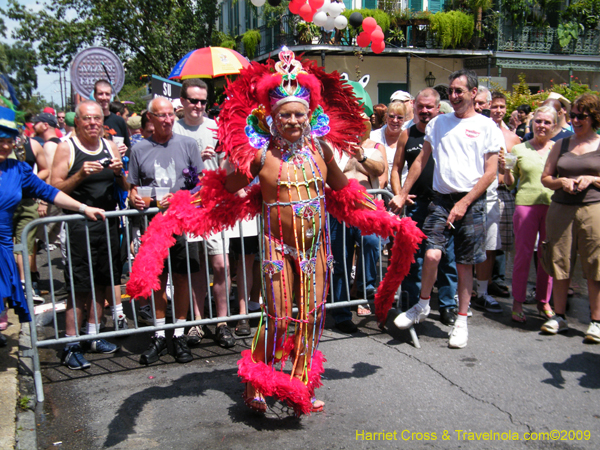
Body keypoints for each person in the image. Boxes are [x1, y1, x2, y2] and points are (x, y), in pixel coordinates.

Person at [126, 48, 423, 415]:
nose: (293, 120)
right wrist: (181, 205)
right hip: (276, 249)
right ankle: (257, 382)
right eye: (286, 114)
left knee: (312, 317)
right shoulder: (261, 156)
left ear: (310, 114)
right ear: (272, 117)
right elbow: (221, 188)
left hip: (316, 249)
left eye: (300, 113)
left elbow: (345, 192)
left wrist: (384, 217)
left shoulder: (322, 150)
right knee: (279, 318)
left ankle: (301, 384)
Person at [390, 69, 503, 349]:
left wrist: (465, 203)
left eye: (459, 91)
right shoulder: (438, 123)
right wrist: (402, 193)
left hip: (472, 202)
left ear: (473, 93)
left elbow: (491, 172)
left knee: (464, 265)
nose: (453, 96)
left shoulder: (487, 126)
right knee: (431, 254)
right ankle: (423, 306)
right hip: (440, 200)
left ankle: (461, 322)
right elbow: (418, 162)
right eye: (451, 91)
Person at [0, 106, 105, 351]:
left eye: (8, 141)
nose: (5, 146)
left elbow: (50, 192)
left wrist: (82, 208)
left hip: (3, 242)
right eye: (0, 141)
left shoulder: (17, 171)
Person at [51, 100, 127, 369]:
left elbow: (124, 185)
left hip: (107, 223)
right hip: (79, 225)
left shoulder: (110, 145)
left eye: (97, 119)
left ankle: (93, 334)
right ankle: (71, 344)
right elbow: (55, 188)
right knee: (79, 285)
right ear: (77, 123)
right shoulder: (66, 147)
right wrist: (81, 174)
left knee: (102, 279)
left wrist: (119, 173)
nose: (93, 123)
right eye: (87, 119)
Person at [128, 96, 204, 364]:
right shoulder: (138, 149)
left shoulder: (187, 144)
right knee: (157, 282)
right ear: (150, 118)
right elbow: (134, 188)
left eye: (171, 114)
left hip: (183, 225)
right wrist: (135, 198)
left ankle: (180, 334)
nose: (168, 119)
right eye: (162, 115)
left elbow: (201, 186)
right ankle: (160, 335)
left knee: (182, 278)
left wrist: (182, 198)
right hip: (153, 228)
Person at [172, 78, 235, 348]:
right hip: (189, 205)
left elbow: (233, 166)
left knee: (221, 265)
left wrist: (220, 156)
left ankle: (222, 323)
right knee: (196, 265)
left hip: (216, 205)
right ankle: (198, 323)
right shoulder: (173, 129)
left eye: (202, 101)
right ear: (183, 101)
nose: (198, 105)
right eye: (193, 100)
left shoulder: (216, 127)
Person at [390, 88, 458, 326]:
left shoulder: (448, 132)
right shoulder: (407, 134)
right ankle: (412, 304)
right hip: (417, 205)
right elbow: (396, 169)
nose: (425, 110)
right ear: (414, 107)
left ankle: (448, 306)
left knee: (446, 257)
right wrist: (400, 194)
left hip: (443, 204)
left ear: (438, 108)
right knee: (414, 258)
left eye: (429, 106)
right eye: (421, 106)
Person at [540, 93, 600, 342]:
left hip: (593, 208)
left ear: (593, 117)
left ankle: (595, 321)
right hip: (561, 208)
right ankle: (559, 316)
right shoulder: (561, 144)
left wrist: (593, 179)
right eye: (572, 115)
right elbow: (546, 178)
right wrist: (560, 181)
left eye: (581, 116)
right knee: (560, 261)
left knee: (594, 263)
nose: (575, 120)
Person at [502, 106, 556, 322]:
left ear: (554, 126)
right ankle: (518, 302)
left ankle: (544, 302)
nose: (541, 126)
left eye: (546, 122)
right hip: (525, 205)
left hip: (552, 206)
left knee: (547, 256)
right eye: (538, 121)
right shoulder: (519, 149)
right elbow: (509, 184)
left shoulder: (558, 149)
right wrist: (506, 170)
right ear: (532, 123)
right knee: (523, 255)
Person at [330, 118, 386, 330]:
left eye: (360, 127)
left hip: (366, 211)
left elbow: (379, 169)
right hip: (339, 212)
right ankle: (342, 312)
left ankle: (364, 290)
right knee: (340, 260)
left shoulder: (373, 149)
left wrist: (361, 157)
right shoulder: (334, 149)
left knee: (371, 243)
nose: (355, 130)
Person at [471, 86, 504, 314]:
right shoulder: (459, 124)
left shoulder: (493, 129)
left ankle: (482, 293)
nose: (479, 106)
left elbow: (498, 166)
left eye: (483, 102)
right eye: (477, 101)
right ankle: (458, 294)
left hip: (489, 195)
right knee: (460, 247)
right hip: (464, 194)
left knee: (488, 248)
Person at [489, 91, 521, 298]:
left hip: (503, 191)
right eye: (495, 106)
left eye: (502, 107)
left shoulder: (513, 138)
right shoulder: (480, 130)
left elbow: (512, 178)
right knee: (483, 241)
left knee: (501, 241)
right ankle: (480, 282)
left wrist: (505, 169)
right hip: (483, 191)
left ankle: (497, 280)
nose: (498, 111)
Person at [370, 101, 406, 189]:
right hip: (379, 190)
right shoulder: (373, 136)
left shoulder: (408, 137)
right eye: (391, 116)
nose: (395, 120)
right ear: (386, 117)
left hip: (403, 190)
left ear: (405, 119)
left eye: (400, 117)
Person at [93, 80, 130, 156]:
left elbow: (128, 146)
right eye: (100, 94)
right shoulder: (90, 121)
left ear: (111, 96)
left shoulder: (119, 120)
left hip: (116, 164)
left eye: (107, 94)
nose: (104, 97)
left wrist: (126, 150)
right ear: (94, 95)